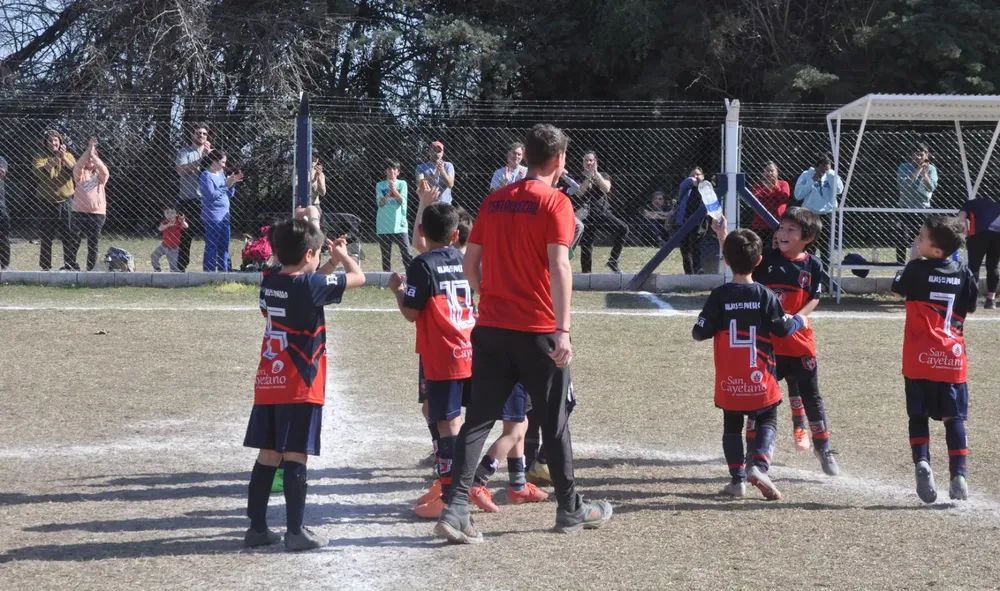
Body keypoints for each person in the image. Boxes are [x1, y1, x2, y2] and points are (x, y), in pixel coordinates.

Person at [435, 123, 612, 544]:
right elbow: (560, 267)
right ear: (560, 161)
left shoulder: (493, 201)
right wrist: (563, 330)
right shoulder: (556, 203)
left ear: (527, 156)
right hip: (538, 331)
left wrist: (489, 295)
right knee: (554, 423)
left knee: (478, 420)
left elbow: (469, 265)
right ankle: (570, 508)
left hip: (492, 327)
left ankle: (456, 507)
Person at [242, 210, 365, 552]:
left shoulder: (270, 279)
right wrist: (342, 258)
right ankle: (295, 531)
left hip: (270, 380)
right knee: (296, 455)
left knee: (268, 455)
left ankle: (256, 528)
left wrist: (325, 263)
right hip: (300, 385)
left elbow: (309, 285)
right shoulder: (310, 285)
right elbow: (359, 278)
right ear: (309, 254)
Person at [713, 208, 839, 476]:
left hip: (799, 344)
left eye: (790, 230)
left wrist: (799, 317)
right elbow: (737, 258)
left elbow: (815, 297)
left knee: (812, 397)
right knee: (759, 403)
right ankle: (751, 455)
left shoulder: (813, 265)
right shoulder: (766, 259)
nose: (782, 232)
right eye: (781, 227)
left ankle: (823, 448)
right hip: (766, 347)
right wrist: (723, 234)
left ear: (808, 237)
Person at [692, 228, 808, 500]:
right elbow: (783, 329)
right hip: (760, 377)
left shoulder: (719, 296)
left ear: (726, 260)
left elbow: (699, 332)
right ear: (759, 261)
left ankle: (737, 480)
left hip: (730, 379)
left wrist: (703, 326)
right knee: (767, 416)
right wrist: (799, 321)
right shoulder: (765, 295)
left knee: (732, 424)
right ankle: (759, 465)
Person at [387, 203, 475, 519]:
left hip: (442, 354)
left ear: (422, 231)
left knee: (447, 422)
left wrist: (397, 290)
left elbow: (411, 313)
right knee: (463, 420)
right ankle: (459, 488)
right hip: (469, 347)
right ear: (455, 235)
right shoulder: (465, 260)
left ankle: (453, 499)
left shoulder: (422, 265)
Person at [891, 216, 977, 503]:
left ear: (937, 250)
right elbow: (971, 305)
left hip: (918, 358)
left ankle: (923, 462)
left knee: (918, 416)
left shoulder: (916, 268)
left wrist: (913, 261)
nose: (916, 241)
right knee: (955, 419)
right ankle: (959, 475)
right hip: (952, 360)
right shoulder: (962, 271)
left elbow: (897, 288)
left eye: (921, 238)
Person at [572, 151, 628, 274]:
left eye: (591, 160)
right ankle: (586, 274)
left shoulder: (603, 175)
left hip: (603, 213)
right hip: (586, 215)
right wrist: (588, 177)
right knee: (587, 246)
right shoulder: (578, 177)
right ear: (582, 163)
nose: (589, 163)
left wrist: (596, 174)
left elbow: (606, 188)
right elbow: (579, 193)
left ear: (596, 162)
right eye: (586, 160)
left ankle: (613, 260)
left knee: (623, 228)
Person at [64, 137, 109, 271]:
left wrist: (93, 155)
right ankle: (71, 266)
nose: (90, 160)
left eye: (93, 158)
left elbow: (105, 170)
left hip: (97, 214)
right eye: (88, 158)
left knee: (93, 243)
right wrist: (88, 151)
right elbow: (78, 165)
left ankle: (91, 268)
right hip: (79, 212)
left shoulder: (100, 176)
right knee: (74, 241)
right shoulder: (80, 174)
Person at [33, 130, 75, 271]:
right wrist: (56, 159)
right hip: (46, 202)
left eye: (56, 140)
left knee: (68, 235)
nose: (53, 143)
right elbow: (43, 174)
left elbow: (75, 172)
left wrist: (64, 158)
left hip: (66, 201)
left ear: (61, 142)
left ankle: (69, 265)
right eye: (50, 140)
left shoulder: (69, 156)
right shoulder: (40, 157)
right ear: (46, 143)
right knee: (46, 236)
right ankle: (45, 267)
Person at [793, 154, 843, 266]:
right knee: (809, 245)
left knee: (826, 248)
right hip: (810, 215)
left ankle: (825, 276)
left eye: (827, 168)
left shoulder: (832, 174)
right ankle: (808, 273)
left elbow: (839, 190)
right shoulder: (806, 175)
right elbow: (798, 195)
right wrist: (812, 180)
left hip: (827, 214)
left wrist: (830, 174)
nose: (824, 171)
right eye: (822, 168)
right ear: (816, 166)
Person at [199, 149, 244, 272]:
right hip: (213, 217)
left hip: (225, 216)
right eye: (222, 162)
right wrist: (226, 185)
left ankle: (224, 272)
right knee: (212, 245)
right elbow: (211, 196)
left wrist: (232, 183)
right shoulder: (205, 176)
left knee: (224, 246)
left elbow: (229, 195)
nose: (224, 165)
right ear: (214, 161)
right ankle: (209, 272)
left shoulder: (221, 174)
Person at [176, 123, 211, 271]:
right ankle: (181, 268)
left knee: (211, 234)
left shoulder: (212, 153)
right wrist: (201, 159)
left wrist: (209, 157)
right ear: (192, 135)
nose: (201, 136)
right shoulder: (185, 152)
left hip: (208, 200)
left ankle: (213, 267)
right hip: (189, 199)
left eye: (204, 133)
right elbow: (181, 170)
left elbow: (219, 171)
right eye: (198, 133)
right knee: (186, 235)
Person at [896, 144, 939, 264]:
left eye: (922, 153)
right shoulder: (904, 167)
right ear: (911, 155)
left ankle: (921, 262)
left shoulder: (931, 169)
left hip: (922, 208)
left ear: (927, 155)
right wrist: (918, 169)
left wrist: (925, 174)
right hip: (905, 207)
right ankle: (900, 265)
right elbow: (903, 186)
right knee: (901, 236)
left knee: (923, 237)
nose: (918, 156)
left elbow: (931, 187)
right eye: (916, 153)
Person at [959, 195, 1000, 309]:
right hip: (998, 234)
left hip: (978, 234)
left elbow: (962, 218)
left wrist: (965, 235)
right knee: (993, 265)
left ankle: (972, 299)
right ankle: (991, 300)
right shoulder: (995, 205)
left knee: (974, 266)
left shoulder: (970, 203)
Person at [375, 159, 412, 272]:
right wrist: (388, 193)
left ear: (398, 172)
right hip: (384, 224)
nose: (391, 171)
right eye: (389, 169)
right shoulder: (380, 185)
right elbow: (380, 204)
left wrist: (394, 190)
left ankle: (411, 276)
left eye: (394, 169)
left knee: (406, 253)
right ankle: (387, 279)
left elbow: (402, 201)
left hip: (400, 224)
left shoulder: (402, 184)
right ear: (386, 171)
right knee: (386, 255)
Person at [674, 167, 712, 275]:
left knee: (696, 247)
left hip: (698, 224)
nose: (695, 177)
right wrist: (697, 180)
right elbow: (688, 182)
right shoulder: (686, 187)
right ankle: (689, 273)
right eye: (693, 174)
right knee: (685, 251)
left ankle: (698, 269)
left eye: (698, 174)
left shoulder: (705, 191)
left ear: (703, 176)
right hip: (682, 221)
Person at [750, 162, 790, 248]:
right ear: (763, 173)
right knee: (760, 248)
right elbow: (757, 199)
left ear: (777, 172)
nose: (769, 173)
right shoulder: (757, 186)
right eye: (767, 171)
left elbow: (783, 198)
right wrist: (767, 187)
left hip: (778, 223)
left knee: (778, 248)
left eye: (772, 171)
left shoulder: (783, 184)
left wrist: (775, 186)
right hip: (760, 224)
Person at [151, 207, 188, 272]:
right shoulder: (164, 222)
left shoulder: (178, 222)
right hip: (164, 245)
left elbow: (186, 226)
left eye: (172, 213)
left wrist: (183, 221)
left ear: (177, 214)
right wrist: (168, 225)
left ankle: (174, 274)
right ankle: (157, 269)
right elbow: (160, 229)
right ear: (164, 214)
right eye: (167, 213)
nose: (169, 215)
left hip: (174, 247)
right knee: (154, 255)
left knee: (173, 264)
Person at [0, 155, 9, 270]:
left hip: (0, 205)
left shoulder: (1, 159)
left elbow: (1, 174)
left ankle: (5, 264)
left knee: (3, 236)